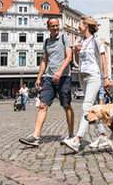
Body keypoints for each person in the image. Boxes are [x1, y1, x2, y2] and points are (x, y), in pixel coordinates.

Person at [19, 17, 74, 147]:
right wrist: (39, 77)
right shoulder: (46, 42)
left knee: (66, 106)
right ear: (48, 27)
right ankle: (35, 136)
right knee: (42, 105)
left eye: (57, 25)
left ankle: (71, 135)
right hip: (49, 77)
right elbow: (44, 60)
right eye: (52, 26)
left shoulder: (64, 38)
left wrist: (60, 72)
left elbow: (69, 56)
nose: (55, 28)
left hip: (64, 77)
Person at [61, 16, 110, 153]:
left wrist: (105, 77)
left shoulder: (96, 40)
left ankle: (77, 139)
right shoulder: (80, 41)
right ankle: (102, 136)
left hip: (94, 75)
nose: (78, 27)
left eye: (80, 25)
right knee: (91, 109)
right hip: (83, 77)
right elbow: (77, 62)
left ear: (86, 25)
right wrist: (76, 51)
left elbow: (103, 59)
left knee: (86, 106)